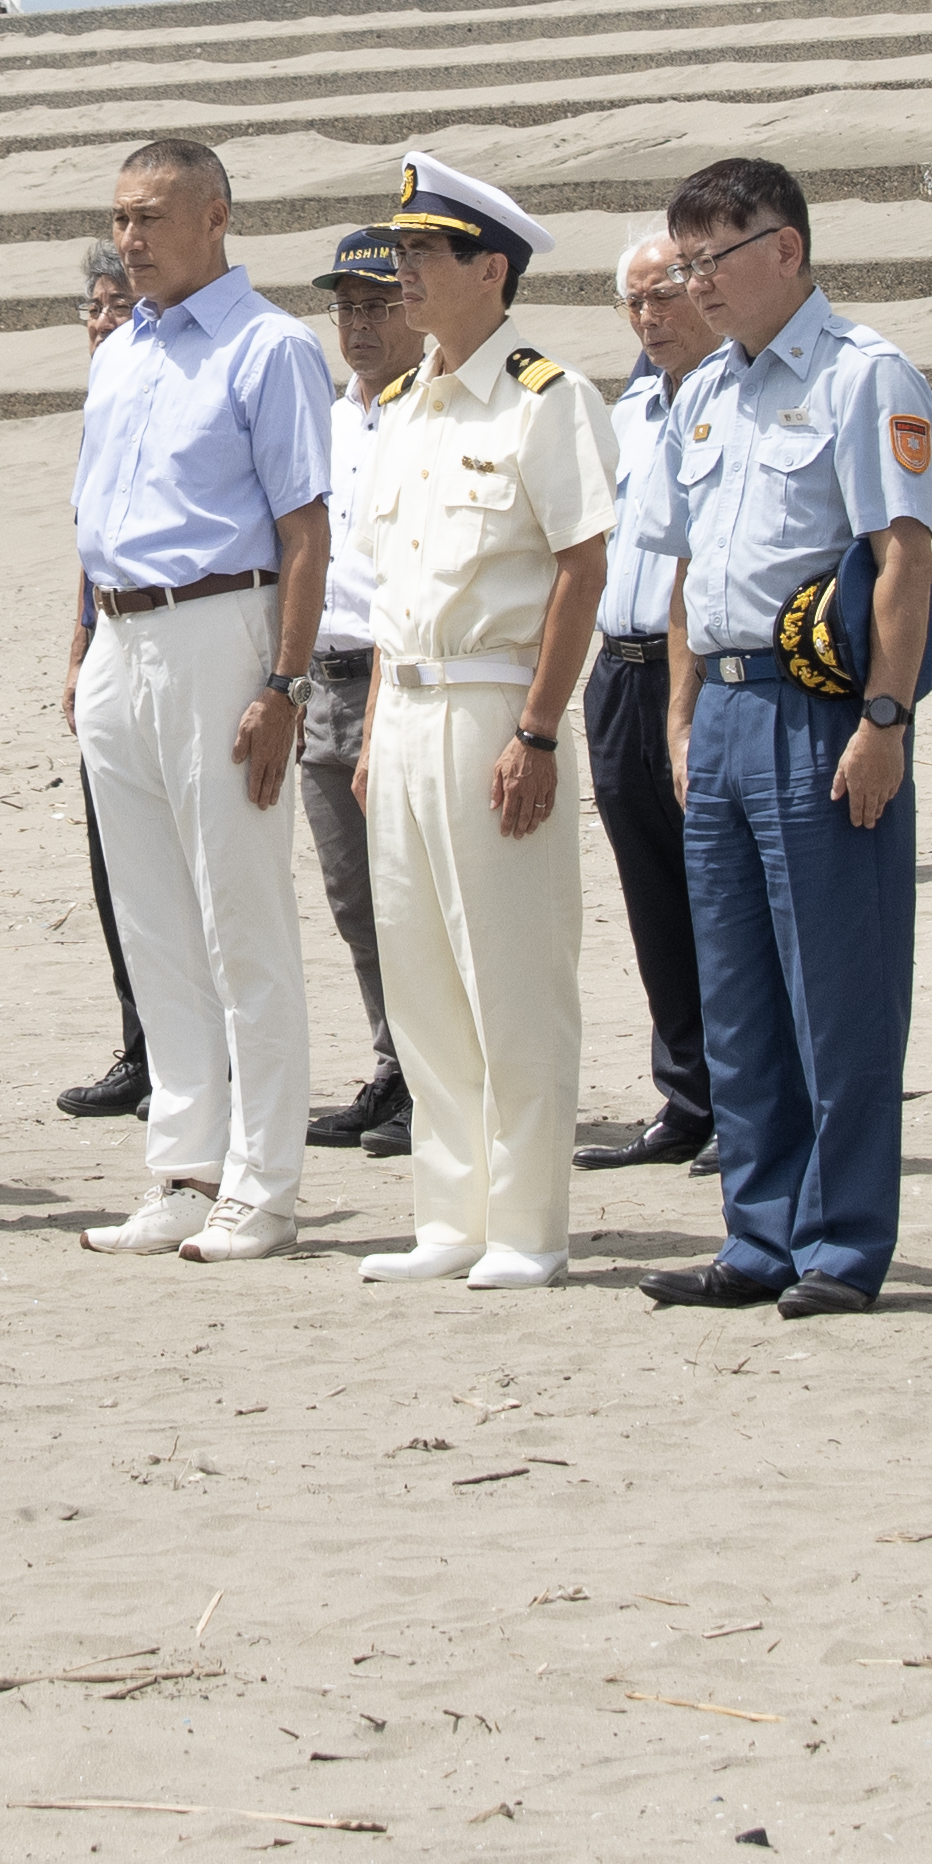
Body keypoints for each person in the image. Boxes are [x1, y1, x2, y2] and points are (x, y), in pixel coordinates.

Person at [651, 151, 932, 1315]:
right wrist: (678, 715)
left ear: (788, 248)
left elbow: (904, 561)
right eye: (684, 263)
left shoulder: (867, 376)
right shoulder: (703, 391)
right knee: (738, 989)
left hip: (819, 705)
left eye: (715, 257)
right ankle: (756, 1230)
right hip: (719, 706)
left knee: (839, 984)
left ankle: (840, 1240)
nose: (697, 283)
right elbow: (682, 571)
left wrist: (885, 715)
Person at [339, 156, 620, 1288]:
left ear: (489, 266)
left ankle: (527, 1223)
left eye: (423, 253)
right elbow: (390, 588)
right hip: (401, 705)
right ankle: (449, 1213)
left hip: (494, 703)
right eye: (400, 251)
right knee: (420, 977)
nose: (402, 272)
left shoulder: (548, 397)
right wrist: (367, 732)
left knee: (512, 971)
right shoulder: (404, 407)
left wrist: (542, 728)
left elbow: (581, 571)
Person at [71, 137, 343, 1262]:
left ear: (216, 217)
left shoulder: (269, 345)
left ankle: (263, 1180)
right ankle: (182, 1164)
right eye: (121, 218)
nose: (130, 240)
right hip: (121, 636)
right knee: (153, 921)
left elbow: (306, 528)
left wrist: (284, 681)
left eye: (152, 217)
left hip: (221, 625)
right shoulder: (119, 351)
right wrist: (83, 650)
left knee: (241, 914)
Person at [569, 229, 724, 1177]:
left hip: (700, 669)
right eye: (632, 302)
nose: (648, 316)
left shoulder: (733, 395)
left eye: (663, 293)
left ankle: (749, 1100)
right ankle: (688, 1096)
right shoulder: (625, 410)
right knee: (653, 897)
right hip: (619, 670)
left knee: (721, 890)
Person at [295, 222, 424, 1154]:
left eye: (378, 304)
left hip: (406, 680)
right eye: (345, 307)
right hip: (321, 681)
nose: (360, 325)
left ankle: (441, 1075)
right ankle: (396, 1065)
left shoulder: (441, 412)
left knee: (419, 887)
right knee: (353, 895)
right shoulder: (328, 418)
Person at [51, 238, 161, 1126]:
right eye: (90, 308)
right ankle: (142, 1044)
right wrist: (79, 644)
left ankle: (191, 1051)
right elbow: (93, 550)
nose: (98, 322)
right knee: (112, 862)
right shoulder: (102, 403)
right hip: (109, 647)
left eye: (112, 306)